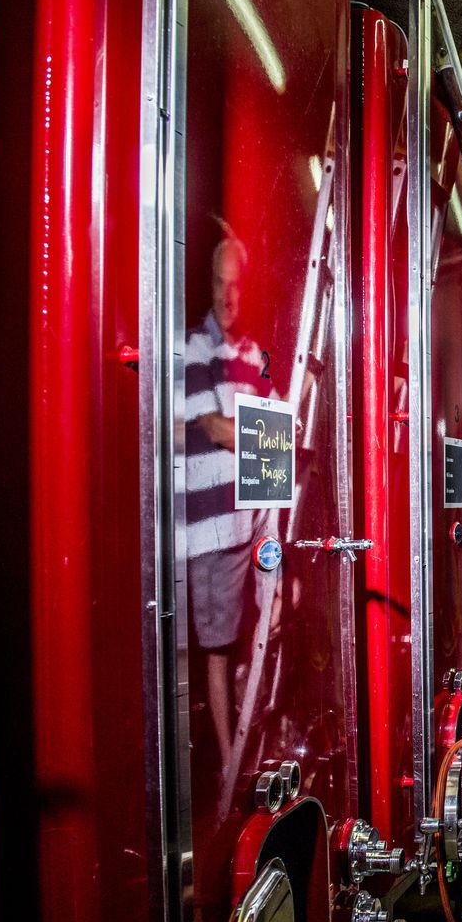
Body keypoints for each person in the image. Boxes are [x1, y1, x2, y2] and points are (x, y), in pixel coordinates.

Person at [185, 236, 271, 767]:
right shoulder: (191, 347)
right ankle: (227, 764)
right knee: (218, 648)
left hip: (255, 522)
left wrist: (269, 427)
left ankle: (251, 746)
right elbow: (214, 427)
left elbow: (284, 413)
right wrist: (265, 431)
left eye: (237, 285)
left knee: (269, 625)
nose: (228, 296)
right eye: (220, 282)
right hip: (211, 528)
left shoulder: (255, 352)